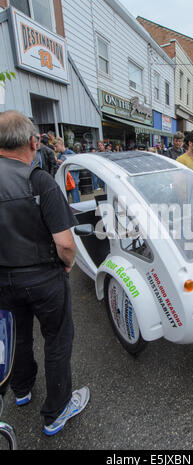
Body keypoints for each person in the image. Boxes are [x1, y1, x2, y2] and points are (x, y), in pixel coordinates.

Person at [0, 110, 90, 436]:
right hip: (44, 276)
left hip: (4, 280)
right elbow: (65, 243)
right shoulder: (39, 180)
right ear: (33, 141)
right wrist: (68, 264)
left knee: (17, 335)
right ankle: (57, 411)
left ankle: (21, 389)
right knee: (57, 340)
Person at [54, 137, 80, 204]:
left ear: (61, 144)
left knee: (76, 200)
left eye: (56, 146)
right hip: (65, 181)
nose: (55, 148)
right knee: (65, 200)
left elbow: (77, 166)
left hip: (72, 180)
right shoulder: (59, 155)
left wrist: (61, 162)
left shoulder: (70, 153)